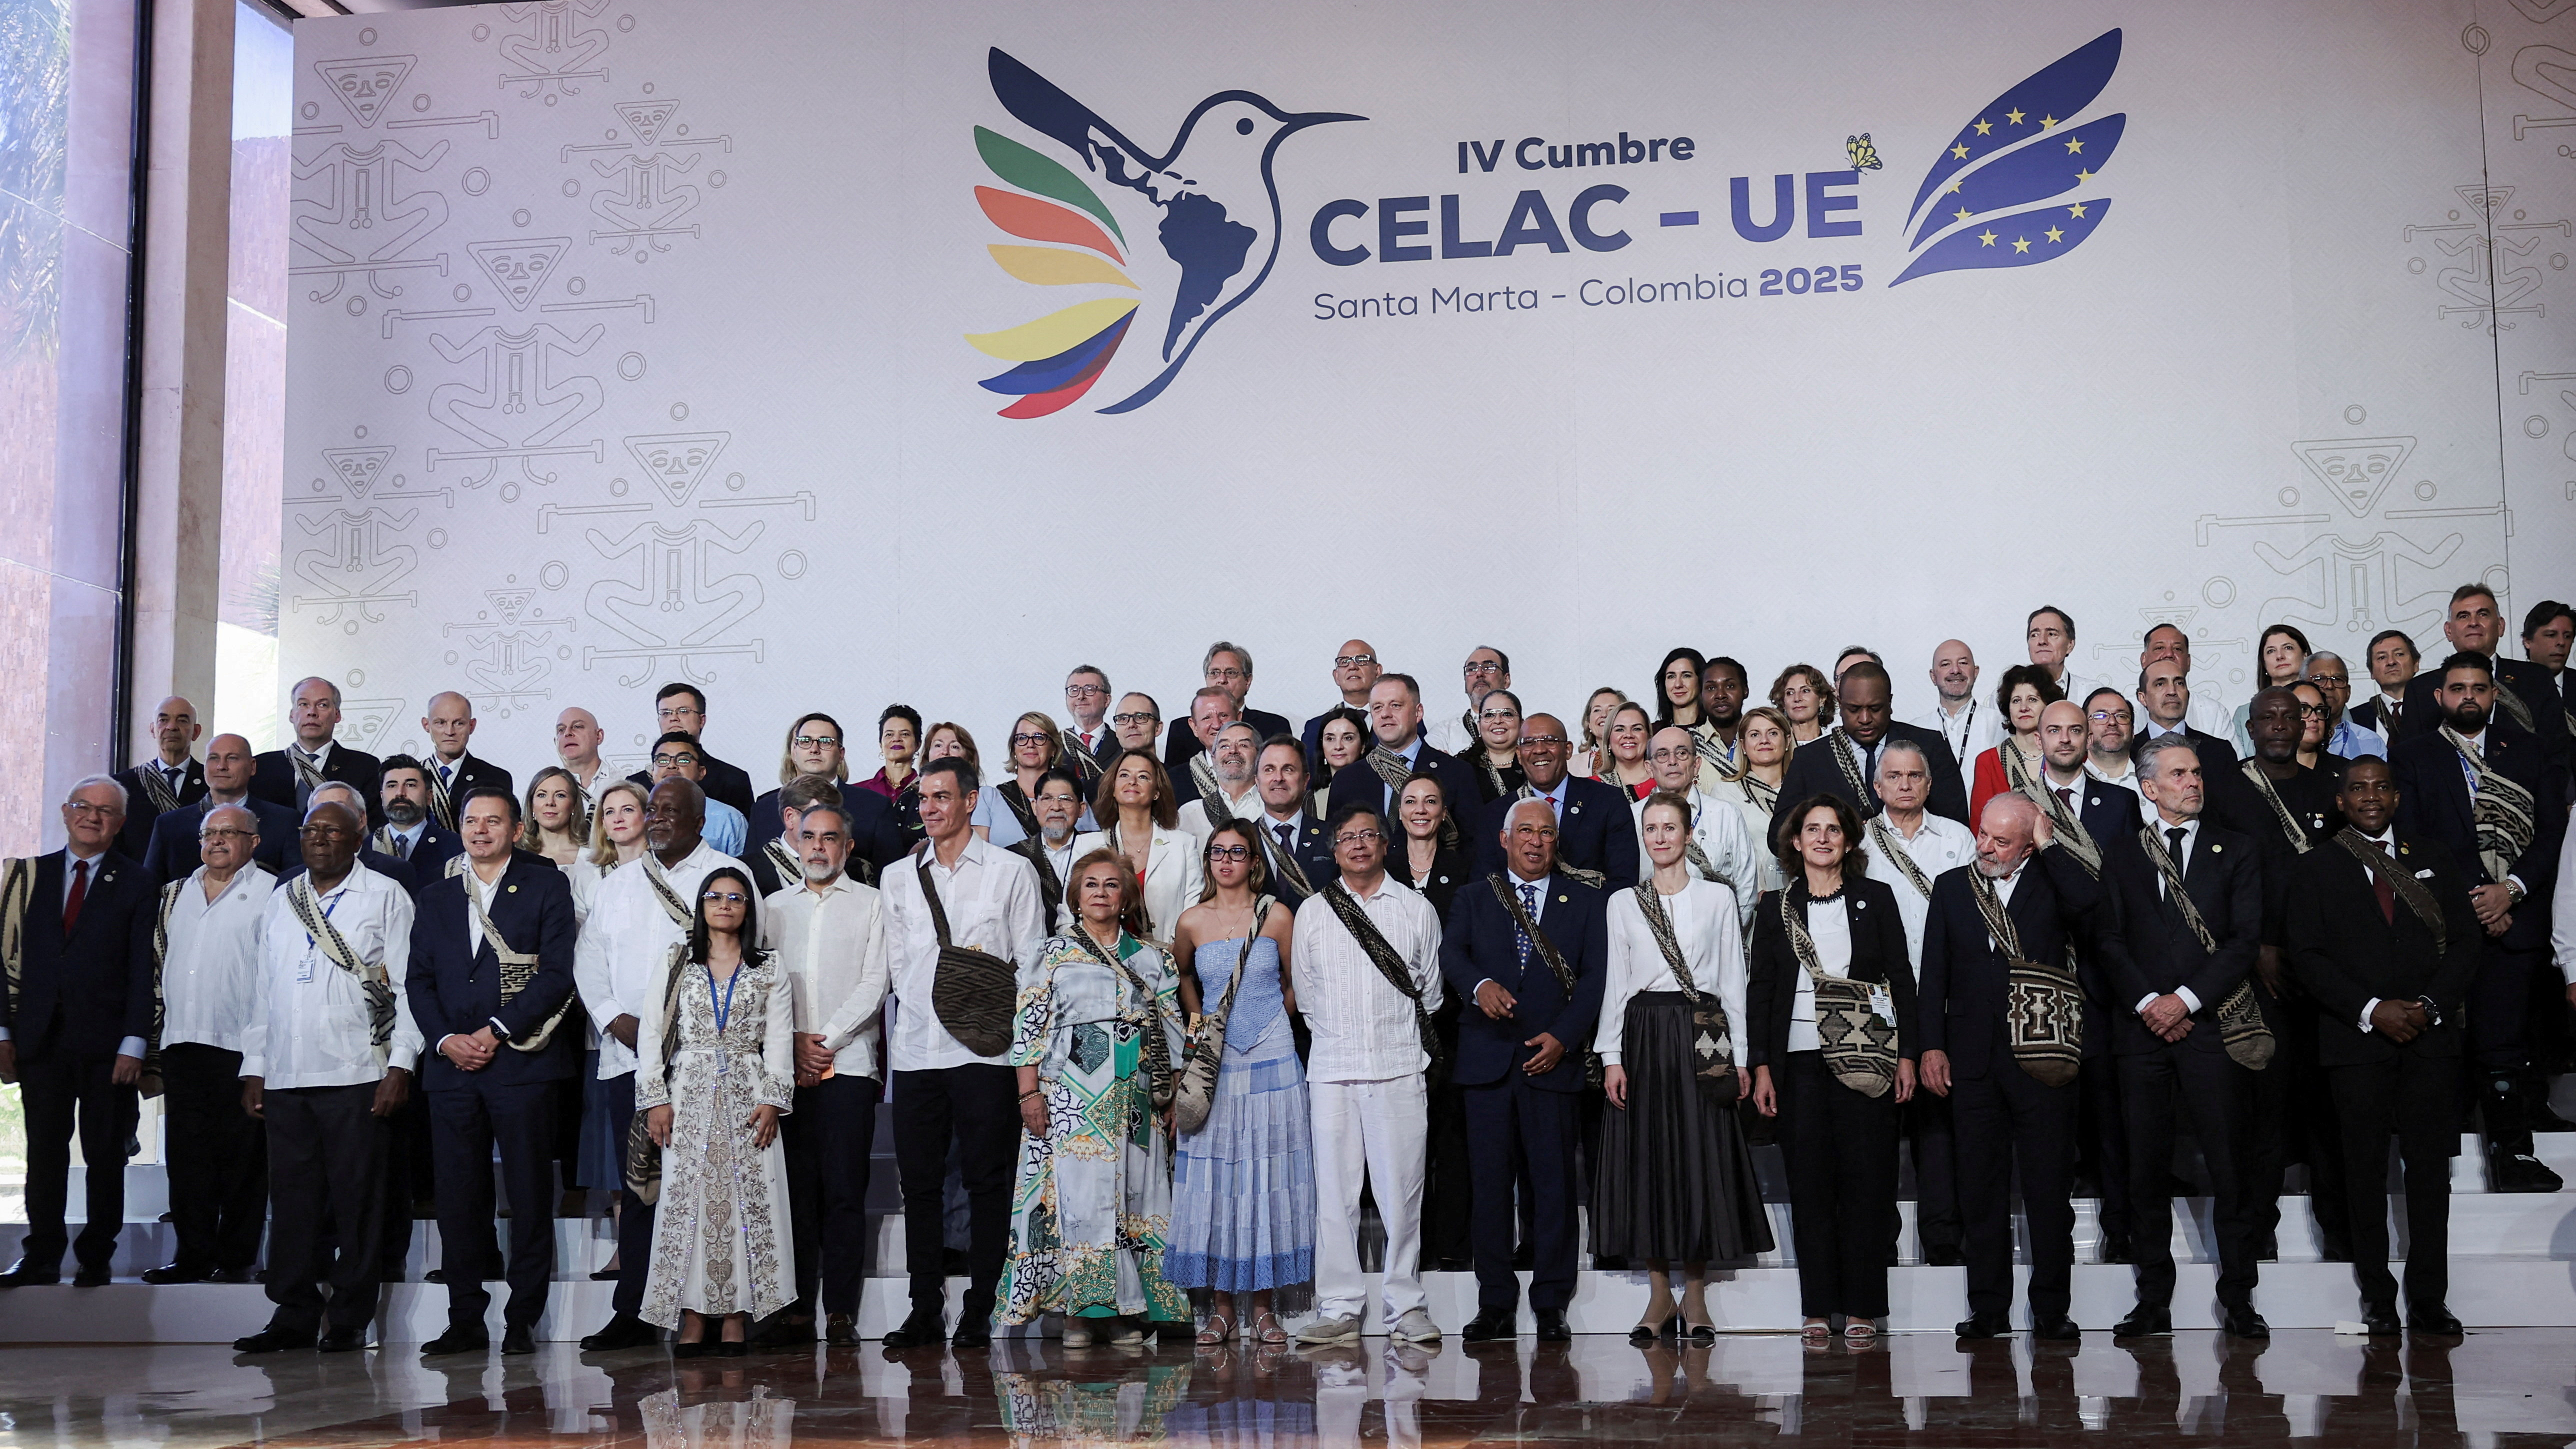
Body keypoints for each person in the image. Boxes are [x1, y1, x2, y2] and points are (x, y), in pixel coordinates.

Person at [1918, 794, 2131, 1340]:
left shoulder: (2054, 883)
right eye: (1983, 834)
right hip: (1970, 1060)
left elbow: (2092, 907)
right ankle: (1987, 1310)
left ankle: (2052, 1312)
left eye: (2002, 840)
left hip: (2043, 1057)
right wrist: (1931, 1046)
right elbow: (1933, 975)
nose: (1985, 846)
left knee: (2046, 1190)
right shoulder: (1951, 887)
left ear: (2028, 842)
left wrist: (2048, 845)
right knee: (1980, 1190)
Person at [2286, 754, 2482, 1337]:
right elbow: (2306, 957)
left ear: (2397, 797)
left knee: (2427, 1175)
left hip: (2430, 1039)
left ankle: (2429, 1300)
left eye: (2381, 787)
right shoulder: (2316, 867)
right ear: (2340, 801)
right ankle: (2376, 1294)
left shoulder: (2433, 858)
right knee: (2363, 1173)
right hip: (2356, 1042)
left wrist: (2428, 1007)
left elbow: (2466, 943)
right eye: (2357, 789)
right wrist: (2372, 1011)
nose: (2370, 797)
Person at [230, 800, 420, 1352]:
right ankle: (292, 1314)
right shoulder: (281, 899)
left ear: (357, 839)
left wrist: (401, 1065)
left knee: (357, 1200)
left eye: (331, 831)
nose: (318, 839)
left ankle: (349, 1319)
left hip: (359, 1070)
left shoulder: (386, 896)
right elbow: (263, 989)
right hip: (287, 1074)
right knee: (292, 1201)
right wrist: (255, 1066)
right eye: (311, 830)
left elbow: (409, 987)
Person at [2099, 738, 2268, 1341]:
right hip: (2141, 1033)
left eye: (2196, 772)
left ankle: (2240, 1298)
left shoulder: (2237, 850)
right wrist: (2150, 1003)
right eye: (2178, 774)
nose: (2192, 782)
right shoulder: (2120, 854)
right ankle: (2152, 1300)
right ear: (2149, 788)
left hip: (2210, 1028)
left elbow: (2244, 941)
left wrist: (2185, 1001)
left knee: (2229, 1166)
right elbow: (2108, 941)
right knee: (2145, 1171)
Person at [570, 777, 746, 1352]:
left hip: (706, 1064)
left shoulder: (728, 878)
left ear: (701, 820)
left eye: (674, 811)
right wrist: (612, 1017)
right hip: (630, 1059)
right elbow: (589, 961)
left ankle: (717, 1309)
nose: (661, 818)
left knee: (709, 1186)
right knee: (641, 1185)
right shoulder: (618, 884)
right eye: (655, 810)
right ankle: (638, 1311)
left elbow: (750, 963)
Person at [879, 756, 1047, 1350]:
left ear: (970, 801)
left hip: (987, 1051)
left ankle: (982, 1306)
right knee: (919, 1185)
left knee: (986, 1181)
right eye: (923, 799)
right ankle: (924, 1309)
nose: (928, 808)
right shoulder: (898, 876)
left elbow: (1031, 967)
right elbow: (898, 967)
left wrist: (1023, 1054)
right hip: (918, 1049)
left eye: (941, 797)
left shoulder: (1011, 871)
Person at [409, 786, 580, 1358]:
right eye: (471, 821)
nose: (480, 831)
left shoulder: (546, 884)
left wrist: (495, 1031)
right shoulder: (435, 896)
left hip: (522, 1064)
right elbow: (418, 981)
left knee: (530, 1193)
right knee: (459, 1198)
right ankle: (465, 1320)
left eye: (493, 822)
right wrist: (446, 1040)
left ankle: (523, 1319)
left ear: (515, 829)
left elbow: (557, 976)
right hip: (452, 1070)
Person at [2390, 651, 2568, 1190]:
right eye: (2457, 688)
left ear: (2493, 696)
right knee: (2442, 1048)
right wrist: (2475, 899)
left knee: (2506, 1047)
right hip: (2445, 925)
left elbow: (2552, 834)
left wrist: (2508, 891)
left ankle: (2512, 1158)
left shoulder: (2530, 752)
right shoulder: (2412, 755)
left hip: (2517, 922)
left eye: (2478, 688)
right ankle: (2439, 1166)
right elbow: (2412, 839)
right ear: (2439, 697)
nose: (2468, 696)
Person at [1594, 790, 1767, 1342]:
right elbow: (1615, 985)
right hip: (1644, 1033)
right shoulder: (1623, 902)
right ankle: (1657, 1294)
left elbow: (1732, 981)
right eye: (1652, 828)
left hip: (1703, 1029)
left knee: (1699, 1154)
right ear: (1643, 837)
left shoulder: (1718, 899)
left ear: (1689, 835)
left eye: (1671, 827)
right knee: (1647, 1158)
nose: (1661, 837)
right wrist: (1611, 1056)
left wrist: (1740, 1055)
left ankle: (1694, 1293)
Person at [998, 849, 1188, 1342]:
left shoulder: (1154, 957)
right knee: (1080, 1203)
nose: (1101, 893)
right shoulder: (1051, 953)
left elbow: (1172, 1031)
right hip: (1070, 1098)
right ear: (1076, 897)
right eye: (1091, 885)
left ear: (1125, 897)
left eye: (1111, 885)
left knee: (1134, 1200)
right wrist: (1028, 1093)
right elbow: (1029, 1027)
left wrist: (1172, 1098)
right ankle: (1083, 1313)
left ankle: (1130, 1311)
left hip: (1137, 1097)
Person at [1747, 793, 1916, 1342]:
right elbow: (1763, 989)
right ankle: (1818, 1307)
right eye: (1811, 829)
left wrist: (1908, 1055)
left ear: (1848, 840)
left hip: (1867, 1060)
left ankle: (1864, 1306)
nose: (1822, 838)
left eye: (1833, 830)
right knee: (1810, 1186)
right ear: (1795, 842)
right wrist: (1763, 1065)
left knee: (1868, 1184)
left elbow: (1900, 978)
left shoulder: (1877, 898)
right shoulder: (1776, 908)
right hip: (1796, 1063)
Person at [1443, 798, 1607, 1343]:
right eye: (1526, 832)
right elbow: (1452, 955)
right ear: (1504, 838)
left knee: (1553, 1187)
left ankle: (1551, 1302)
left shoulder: (1584, 902)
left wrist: (1564, 1037)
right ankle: (1495, 1304)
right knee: (1489, 1189)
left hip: (1551, 1064)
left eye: (1546, 833)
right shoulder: (1472, 897)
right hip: (1486, 1063)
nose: (1536, 841)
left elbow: (1594, 980)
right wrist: (1478, 986)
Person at [1292, 804, 1446, 1346]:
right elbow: (1306, 997)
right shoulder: (1312, 911)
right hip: (1333, 1070)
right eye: (1346, 838)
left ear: (1386, 845)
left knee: (1402, 1195)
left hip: (1399, 1068)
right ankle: (1337, 1307)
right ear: (1333, 850)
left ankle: (1405, 1307)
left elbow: (1430, 993)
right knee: (1334, 1197)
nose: (1358, 845)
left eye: (1368, 836)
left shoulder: (1414, 909)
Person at [636, 866, 796, 1355]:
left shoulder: (768, 965)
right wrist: (655, 1098)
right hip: (687, 1093)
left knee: (750, 1205)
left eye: (736, 897)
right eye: (714, 896)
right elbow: (650, 1030)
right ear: (701, 906)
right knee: (688, 1208)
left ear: (749, 907)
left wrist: (773, 1099)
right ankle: (690, 1316)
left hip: (749, 1094)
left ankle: (734, 1316)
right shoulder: (677, 960)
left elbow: (779, 1039)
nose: (725, 904)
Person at [0, 778, 154, 1288]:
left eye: (106, 811)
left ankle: (96, 1255)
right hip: (40, 1040)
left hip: (109, 1047)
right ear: (66, 814)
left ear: (121, 823)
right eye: (83, 807)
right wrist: (4, 1031)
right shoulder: (27, 877)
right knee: (45, 1150)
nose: (93, 817)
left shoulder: (138, 881)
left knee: (104, 1152)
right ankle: (41, 1255)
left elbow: (142, 970)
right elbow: (3, 963)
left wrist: (134, 1041)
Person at [1166, 820, 1313, 1346]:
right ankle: (1222, 1310)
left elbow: (1298, 982)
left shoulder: (1276, 914)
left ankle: (1266, 1311)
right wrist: (1200, 1023)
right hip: (1217, 1064)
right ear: (1207, 860)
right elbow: (1180, 976)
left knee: (1268, 1178)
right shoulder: (1191, 921)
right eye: (1217, 852)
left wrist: (1275, 1020)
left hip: (1273, 1058)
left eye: (1238, 852)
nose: (1226, 860)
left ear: (1254, 860)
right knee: (1220, 1183)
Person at [762, 800, 888, 1348]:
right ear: (795, 841)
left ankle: (839, 1309)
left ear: (847, 846)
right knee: (793, 1193)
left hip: (851, 1065)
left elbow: (876, 981)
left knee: (844, 1190)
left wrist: (824, 1043)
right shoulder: (770, 908)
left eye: (829, 838)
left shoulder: (872, 904)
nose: (817, 846)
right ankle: (792, 1309)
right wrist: (791, 1045)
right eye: (809, 836)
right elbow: (763, 985)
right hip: (783, 1068)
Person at [140, 802, 272, 1286]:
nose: (217, 841)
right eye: (209, 833)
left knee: (243, 1162)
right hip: (182, 1044)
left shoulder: (272, 893)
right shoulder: (174, 894)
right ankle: (192, 1254)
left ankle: (236, 1258)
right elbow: (155, 971)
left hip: (241, 1048)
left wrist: (260, 1058)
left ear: (253, 842)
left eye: (229, 833)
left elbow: (272, 980)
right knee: (188, 1160)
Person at [1864, 738, 1976, 1268]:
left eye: (1915, 776)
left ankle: (1944, 1243)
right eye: (1895, 776)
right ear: (1877, 785)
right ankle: (1878, 1246)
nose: (1905, 785)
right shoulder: (1856, 842)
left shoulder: (1957, 839)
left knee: (1938, 1128)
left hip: (1944, 998)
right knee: (1878, 1129)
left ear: (1929, 785)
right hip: (1877, 1002)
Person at [1768, 660, 1971, 838]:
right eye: (1854, 709)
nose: (1865, 719)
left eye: (1875, 709)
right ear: (1840, 704)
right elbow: (1779, 834)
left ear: (1890, 703)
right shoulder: (1811, 759)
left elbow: (1956, 825)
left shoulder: (1929, 746)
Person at [2398, 588, 2570, 758]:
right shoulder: (2421, 688)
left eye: (2483, 614)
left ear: (2501, 626)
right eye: (2463, 616)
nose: (2473, 623)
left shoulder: (2536, 678)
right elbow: (2411, 758)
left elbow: (2557, 753)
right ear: (2449, 631)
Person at [1475, 712, 1640, 886]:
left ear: (1568, 750)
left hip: (1592, 910)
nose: (1539, 750)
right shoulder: (1495, 814)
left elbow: (1623, 883)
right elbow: (1485, 888)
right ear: (1519, 754)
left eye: (1550, 740)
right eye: (1529, 743)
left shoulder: (1608, 801)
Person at [749, 712, 912, 878]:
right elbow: (751, 874)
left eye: (825, 742)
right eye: (805, 741)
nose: (814, 749)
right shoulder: (763, 809)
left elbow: (893, 878)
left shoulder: (875, 807)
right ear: (793, 751)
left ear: (841, 754)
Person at [1074, 751, 1204, 950]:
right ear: (1114, 789)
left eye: (1143, 776)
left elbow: (1194, 912)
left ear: (1157, 792)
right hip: (1099, 962)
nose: (1132, 782)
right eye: (1124, 775)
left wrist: (1171, 954)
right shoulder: (1086, 845)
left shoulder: (1184, 844)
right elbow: (1070, 913)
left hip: (1168, 962)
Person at [1637, 726, 1762, 928]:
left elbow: (1746, 887)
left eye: (1682, 753)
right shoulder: (1632, 817)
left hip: (1718, 935)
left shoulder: (1725, 814)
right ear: (1649, 767)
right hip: (1651, 935)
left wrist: (1728, 936)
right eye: (1662, 755)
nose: (1672, 761)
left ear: (1696, 765)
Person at [1326, 674, 1481, 823]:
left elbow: (1472, 843)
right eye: (1378, 707)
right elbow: (1335, 843)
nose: (1386, 714)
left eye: (1396, 706)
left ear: (1418, 712)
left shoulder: (1457, 773)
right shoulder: (1347, 780)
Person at [146, 732, 298, 878]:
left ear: (252, 767)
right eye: (214, 758)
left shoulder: (284, 822)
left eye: (232, 758)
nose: (221, 766)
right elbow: (152, 888)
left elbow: (294, 886)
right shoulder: (169, 825)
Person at [252, 676, 384, 826]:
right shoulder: (263, 767)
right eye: (303, 704)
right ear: (292, 714)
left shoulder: (364, 767)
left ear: (337, 715)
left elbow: (372, 828)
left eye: (322, 705)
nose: (312, 712)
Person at [623, 684, 757, 816]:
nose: (673, 718)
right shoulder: (636, 784)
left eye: (683, 711)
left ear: (702, 720)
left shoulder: (733, 780)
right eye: (666, 713)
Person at [1164, 642, 1294, 772]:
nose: (1222, 680)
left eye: (1231, 673)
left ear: (1247, 681)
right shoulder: (1182, 730)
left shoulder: (1274, 726)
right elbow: (1174, 783)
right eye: (1214, 673)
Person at [1967, 664, 2062, 825]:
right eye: (2016, 701)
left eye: (2033, 700)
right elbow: (1980, 825)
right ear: (2008, 709)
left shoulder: (2066, 754)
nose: (2024, 708)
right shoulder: (1989, 761)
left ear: (2049, 705)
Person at [116, 695, 208, 859]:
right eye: (163, 720)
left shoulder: (211, 783)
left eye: (182, 721)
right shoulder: (123, 785)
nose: (172, 727)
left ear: (196, 731)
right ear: (153, 730)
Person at [1249, 736, 1333, 908]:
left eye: (1288, 770)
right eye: (1269, 770)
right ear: (1257, 781)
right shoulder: (1244, 839)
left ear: (1305, 781)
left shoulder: (1331, 835)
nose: (1278, 778)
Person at [1714, 708, 1796, 884]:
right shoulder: (1724, 793)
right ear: (1743, 745)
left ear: (1787, 740)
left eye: (1773, 733)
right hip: (1751, 895)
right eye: (1755, 735)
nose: (1764, 741)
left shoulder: (1805, 791)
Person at [1912, 642, 2000, 805]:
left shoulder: (2000, 723)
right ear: (1933, 677)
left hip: (1989, 825)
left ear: (1976, 672)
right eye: (1946, 664)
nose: (1955, 670)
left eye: (1963, 663)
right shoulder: (1916, 729)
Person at [418, 692, 514, 834]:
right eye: (441, 723)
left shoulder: (495, 778)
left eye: (459, 723)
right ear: (427, 725)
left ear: (471, 726)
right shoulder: (413, 776)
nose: (450, 731)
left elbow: (502, 833)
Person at [976, 711, 1074, 848]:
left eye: (1039, 738)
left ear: (1054, 749)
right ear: (1014, 749)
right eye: (1022, 738)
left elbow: (1085, 853)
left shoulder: (1072, 796)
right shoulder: (988, 798)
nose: (1030, 744)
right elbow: (979, 855)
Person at [1008, 768, 1090, 932]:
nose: (1056, 807)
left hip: (1090, 951)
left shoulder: (1096, 852)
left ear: (1081, 809)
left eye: (1065, 799)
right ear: (1034, 807)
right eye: (1047, 799)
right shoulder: (1013, 857)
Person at [652, 732, 748, 857]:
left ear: (701, 772)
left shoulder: (728, 818)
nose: (672, 765)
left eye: (683, 760)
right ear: (652, 771)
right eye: (663, 760)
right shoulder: (636, 813)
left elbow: (743, 870)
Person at [2135, 659, 2241, 768]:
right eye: (2160, 684)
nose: (2172, 691)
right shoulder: (2128, 752)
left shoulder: (2220, 751)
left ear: (2188, 695)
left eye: (2179, 683)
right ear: (2143, 698)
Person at [2138, 623, 2238, 738]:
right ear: (2143, 660)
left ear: (2189, 661)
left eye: (2177, 649)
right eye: (2160, 648)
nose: (2169, 654)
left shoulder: (2215, 713)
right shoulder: (2123, 712)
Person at [374, 755, 464, 877]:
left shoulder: (455, 847)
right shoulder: (364, 848)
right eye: (392, 786)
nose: (400, 793)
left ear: (429, 797)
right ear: (382, 796)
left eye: (410, 785)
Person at [1304, 640, 1388, 766]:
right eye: (1344, 662)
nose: (1353, 667)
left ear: (1378, 671)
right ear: (1336, 676)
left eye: (1361, 660)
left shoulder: (1400, 721)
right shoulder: (1315, 728)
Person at [1180, 720, 1264, 837]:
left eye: (1243, 745)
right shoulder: (1190, 814)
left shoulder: (1274, 808)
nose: (1233, 751)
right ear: (1214, 759)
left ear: (1260, 757)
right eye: (1224, 746)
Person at [855, 704, 926, 838]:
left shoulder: (927, 793)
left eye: (905, 734)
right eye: (889, 734)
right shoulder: (857, 793)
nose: (896, 739)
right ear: (881, 744)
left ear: (918, 744)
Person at [1428, 646, 1513, 756]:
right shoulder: (1444, 733)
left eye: (1488, 667)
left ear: (1506, 680)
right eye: (1471, 669)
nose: (1479, 673)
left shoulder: (1523, 730)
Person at [2026, 605, 2110, 710]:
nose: (2042, 641)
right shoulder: (2012, 693)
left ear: (2070, 645)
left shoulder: (2092, 692)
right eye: (2035, 635)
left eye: (2052, 634)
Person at [2306, 653, 2388, 762]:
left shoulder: (2370, 742)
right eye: (2319, 679)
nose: (2330, 686)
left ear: (2348, 693)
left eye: (2338, 679)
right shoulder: (2289, 738)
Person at [1456, 689, 1528, 804]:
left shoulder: (1534, 765)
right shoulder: (1461, 769)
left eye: (1507, 714)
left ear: (1522, 724)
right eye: (1489, 715)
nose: (1498, 721)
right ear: (1479, 726)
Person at [2350, 630, 2418, 744]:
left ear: (2416, 664)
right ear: (2371, 671)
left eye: (2399, 654)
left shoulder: (2437, 710)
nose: (2391, 662)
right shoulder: (2355, 720)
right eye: (2382, 658)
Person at [1060, 665, 1120, 792]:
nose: (1081, 696)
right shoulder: (1055, 745)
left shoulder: (1122, 745)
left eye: (1089, 689)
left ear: (1107, 700)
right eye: (1074, 690)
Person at [522, 766, 590, 868]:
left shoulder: (593, 859)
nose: (550, 802)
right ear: (531, 806)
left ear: (574, 806)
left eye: (560, 796)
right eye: (542, 795)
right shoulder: (516, 858)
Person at [553, 706, 615, 815]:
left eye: (577, 727)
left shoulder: (625, 782)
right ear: (556, 742)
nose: (567, 733)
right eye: (561, 730)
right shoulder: (543, 791)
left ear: (599, 736)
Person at [2084, 690, 2143, 798]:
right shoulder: (2071, 785)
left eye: (2121, 716)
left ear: (2133, 731)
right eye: (2100, 716)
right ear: (2085, 731)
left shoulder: (2154, 780)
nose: (2112, 722)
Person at [1596, 700, 1658, 800]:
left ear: (1648, 738)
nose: (1629, 735)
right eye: (1620, 730)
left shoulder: (1665, 783)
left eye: (1637, 729)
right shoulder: (1591, 787)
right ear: (1608, 742)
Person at [1570, 686, 1628, 780]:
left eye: (1612, 710)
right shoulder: (1570, 765)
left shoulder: (1639, 759)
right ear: (1588, 722)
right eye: (1597, 710)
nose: (1604, 715)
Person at [1770, 664, 1834, 745]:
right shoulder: (1776, 748)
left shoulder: (1836, 746)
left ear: (1822, 698)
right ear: (1783, 703)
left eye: (1805, 691)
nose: (1797, 699)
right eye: (1790, 693)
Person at [2292, 682, 2336, 772]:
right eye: (2303, 709)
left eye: (2320, 711)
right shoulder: (2258, 771)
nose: (2315, 718)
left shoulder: (2346, 771)